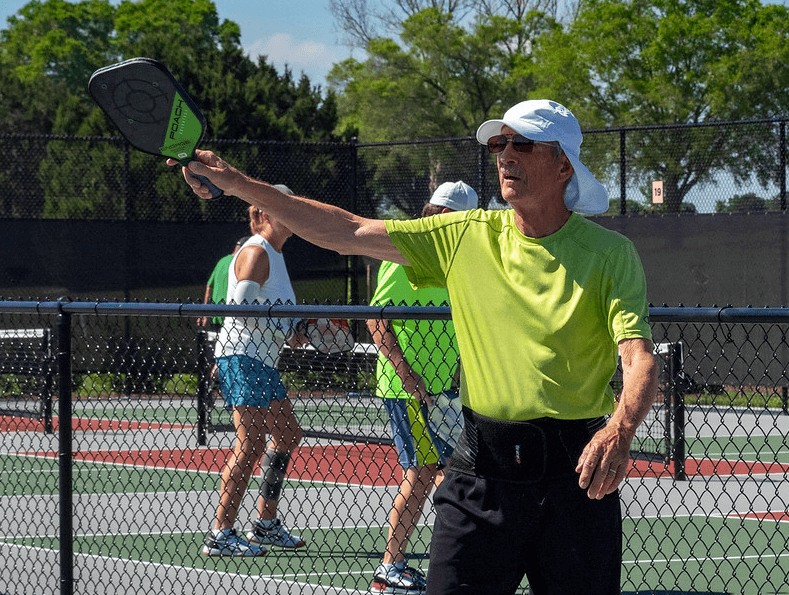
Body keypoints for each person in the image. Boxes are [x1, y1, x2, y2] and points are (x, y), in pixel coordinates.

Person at [171, 99, 658, 593]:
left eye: (523, 143)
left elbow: (638, 357)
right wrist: (237, 183)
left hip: (577, 480)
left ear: (563, 164)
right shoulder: (465, 236)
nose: (506, 155)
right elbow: (348, 230)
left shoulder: (611, 255)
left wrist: (620, 428)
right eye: (499, 143)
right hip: (480, 478)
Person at [367, 181, 477, 594]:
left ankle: (463, 557)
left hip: (443, 389)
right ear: (442, 215)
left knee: (455, 472)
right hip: (407, 389)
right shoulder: (405, 255)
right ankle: (390, 567)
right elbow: (377, 318)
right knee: (421, 470)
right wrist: (409, 376)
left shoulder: (455, 259)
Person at [202, 187, 310, 557]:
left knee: (288, 434)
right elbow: (241, 310)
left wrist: (293, 330)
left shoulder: (276, 254)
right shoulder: (256, 252)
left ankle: (264, 523)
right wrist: (284, 328)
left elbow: (266, 312)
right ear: (264, 215)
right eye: (284, 207)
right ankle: (222, 532)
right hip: (242, 357)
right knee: (250, 445)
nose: (291, 213)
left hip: (261, 360)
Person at [198, 236, 250, 329]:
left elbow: (209, 286)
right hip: (231, 316)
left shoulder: (221, 261)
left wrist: (204, 313)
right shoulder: (240, 263)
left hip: (216, 314)